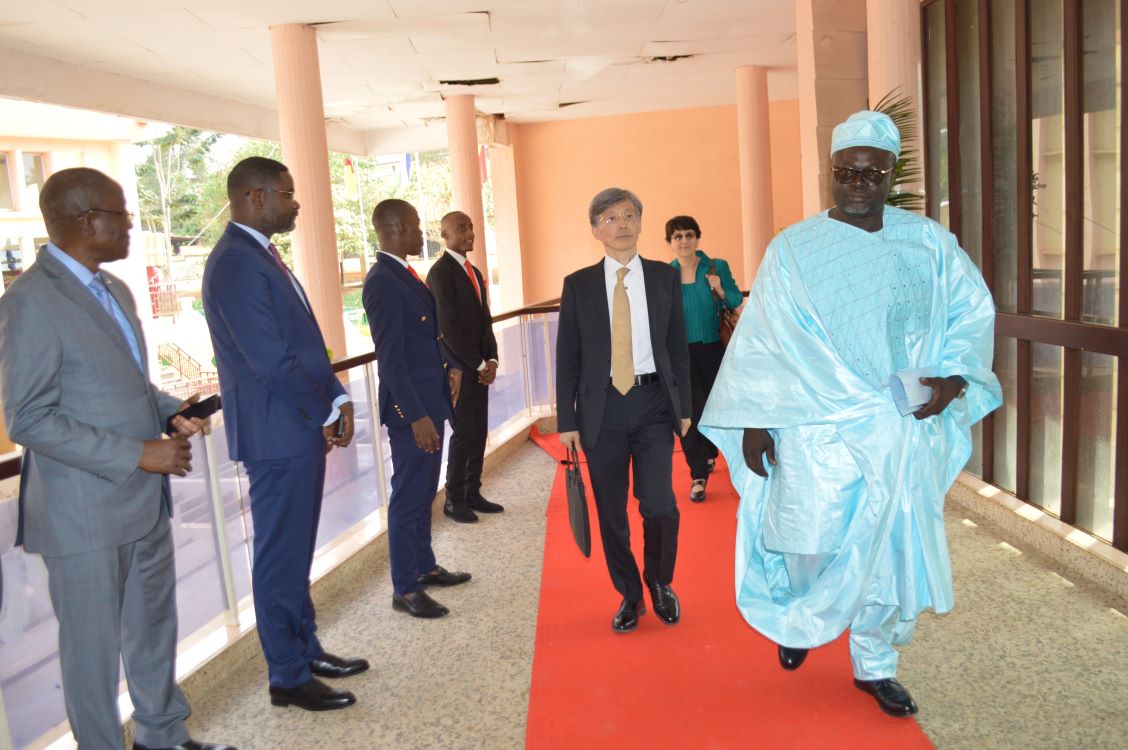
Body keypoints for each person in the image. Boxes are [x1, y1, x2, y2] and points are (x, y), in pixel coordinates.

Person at [700, 111, 1002, 717]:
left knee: (886, 548)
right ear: (830, 172)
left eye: (872, 172)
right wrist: (757, 418)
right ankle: (802, 616)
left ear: (891, 174)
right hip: (812, 425)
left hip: (894, 426)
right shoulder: (793, 248)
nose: (858, 182)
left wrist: (953, 379)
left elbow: (971, 312)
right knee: (809, 541)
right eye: (846, 171)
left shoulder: (928, 243)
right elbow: (765, 338)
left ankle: (874, 663)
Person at [0, 167, 233, 750]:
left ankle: (162, 736)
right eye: (121, 213)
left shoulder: (115, 290)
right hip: (82, 515)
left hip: (142, 502)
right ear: (87, 220)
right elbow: (29, 419)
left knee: (153, 630)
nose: (131, 224)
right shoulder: (30, 301)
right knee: (92, 655)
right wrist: (138, 453)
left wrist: (171, 411)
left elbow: (126, 389)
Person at [201, 157, 366, 713]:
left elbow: (305, 344)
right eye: (288, 194)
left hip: (293, 425)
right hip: (276, 432)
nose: (296, 204)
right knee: (279, 556)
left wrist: (337, 396)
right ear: (255, 196)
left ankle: (305, 649)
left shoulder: (261, 255)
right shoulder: (236, 262)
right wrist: (322, 410)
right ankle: (287, 675)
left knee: (295, 551)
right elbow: (270, 359)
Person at [556, 187, 692, 633]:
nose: (622, 224)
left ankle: (660, 581)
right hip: (602, 411)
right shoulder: (578, 285)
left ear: (640, 222)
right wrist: (567, 419)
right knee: (612, 513)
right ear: (596, 229)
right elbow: (567, 357)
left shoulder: (663, 277)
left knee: (660, 506)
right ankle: (630, 594)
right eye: (611, 218)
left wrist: (684, 407)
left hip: (653, 405)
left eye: (629, 215)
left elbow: (677, 347)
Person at [363, 198, 471, 619]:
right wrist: (416, 416)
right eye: (415, 226)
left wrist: (450, 366)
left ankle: (425, 566)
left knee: (425, 491)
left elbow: (424, 338)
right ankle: (405, 588)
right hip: (413, 412)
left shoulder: (403, 273)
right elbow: (391, 359)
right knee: (409, 496)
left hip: (430, 399)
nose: (420, 233)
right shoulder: (382, 281)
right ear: (394, 228)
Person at [426, 210, 503, 523]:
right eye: (461, 228)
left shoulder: (474, 271)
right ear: (445, 235)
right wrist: (478, 363)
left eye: (471, 226)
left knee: (478, 431)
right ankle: (453, 499)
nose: (470, 232)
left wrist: (492, 359)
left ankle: (473, 491)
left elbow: (485, 321)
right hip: (458, 370)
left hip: (480, 368)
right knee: (463, 433)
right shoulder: (440, 273)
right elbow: (449, 328)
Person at [666, 215, 742, 502]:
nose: (684, 241)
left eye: (689, 234)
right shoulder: (666, 275)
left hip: (713, 349)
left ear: (697, 238)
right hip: (679, 354)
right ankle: (698, 473)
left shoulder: (715, 266)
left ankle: (712, 452)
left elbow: (735, 300)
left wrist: (720, 288)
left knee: (715, 408)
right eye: (677, 236)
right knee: (687, 412)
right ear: (670, 242)